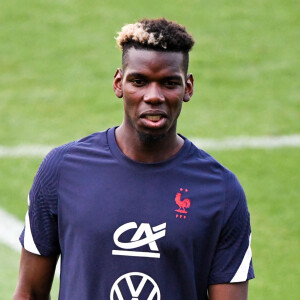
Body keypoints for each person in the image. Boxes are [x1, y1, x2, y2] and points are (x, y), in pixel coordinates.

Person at [14, 18, 254, 300]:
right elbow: (29, 293)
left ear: (188, 88)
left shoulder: (221, 191)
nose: (153, 96)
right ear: (119, 83)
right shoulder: (63, 170)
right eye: (139, 81)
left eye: (169, 83)